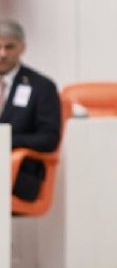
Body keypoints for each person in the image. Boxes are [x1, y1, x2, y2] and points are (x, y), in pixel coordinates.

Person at [0, 19, 62, 202]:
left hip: (21, 171)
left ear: (22, 48)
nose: (2, 54)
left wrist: (7, 142)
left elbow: (49, 139)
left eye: (9, 47)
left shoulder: (41, 86)